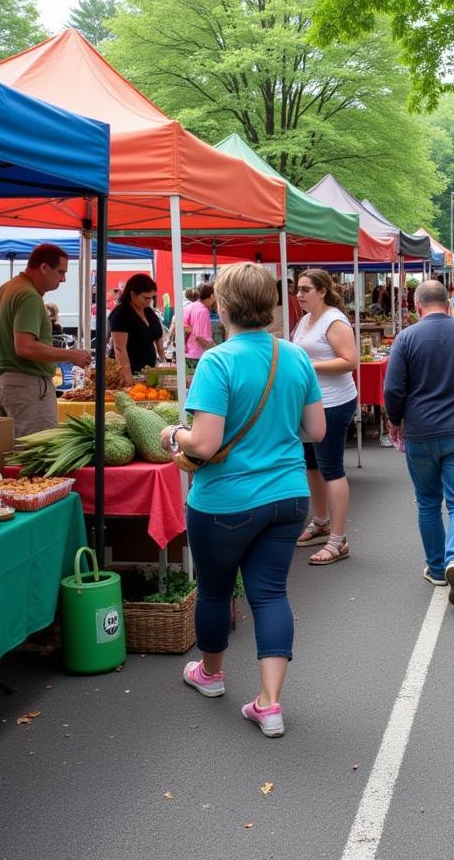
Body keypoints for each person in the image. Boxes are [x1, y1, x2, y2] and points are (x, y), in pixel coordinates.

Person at [160, 263, 326, 738]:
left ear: (224, 306)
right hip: (289, 496)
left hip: (225, 502)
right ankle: (270, 705)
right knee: (271, 593)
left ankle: (210, 675)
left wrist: (174, 431)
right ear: (273, 304)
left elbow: (205, 444)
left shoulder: (218, 361)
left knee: (215, 591)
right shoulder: (294, 356)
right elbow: (316, 430)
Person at [384, 280, 454, 606]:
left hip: (421, 432)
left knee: (428, 501)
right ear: (448, 304)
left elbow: (393, 390)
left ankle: (435, 567)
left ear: (417, 307)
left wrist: (395, 419)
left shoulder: (405, 338)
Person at [0, 244, 92, 438]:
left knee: (11, 453)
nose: (63, 279)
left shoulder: (5, 289)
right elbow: (25, 347)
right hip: (26, 385)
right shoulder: (28, 295)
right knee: (36, 453)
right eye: (60, 272)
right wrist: (71, 355)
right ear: (43, 267)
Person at [292, 268, 359, 564]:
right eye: (298, 289)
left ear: (322, 291)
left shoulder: (334, 320)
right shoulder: (306, 320)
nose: (300, 294)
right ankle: (320, 521)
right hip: (309, 404)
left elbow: (350, 361)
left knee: (331, 468)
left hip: (333, 403)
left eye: (306, 289)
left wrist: (310, 366)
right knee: (312, 465)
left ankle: (338, 539)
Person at [108, 274, 165, 384]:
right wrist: (128, 379)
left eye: (152, 298)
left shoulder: (149, 312)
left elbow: (158, 336)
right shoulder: (121, 313)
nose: (149, 301)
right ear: (133, 294)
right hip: (130, 374)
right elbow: (119, 348)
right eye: (146, 298)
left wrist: (163, 364)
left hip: (148, 373)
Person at [184, 284, 216, 360]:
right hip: (199, 355)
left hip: (187, 353)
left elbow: (182, 325)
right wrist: (217, 349)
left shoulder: (190, 306)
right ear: (212, 296)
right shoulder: (203, 311)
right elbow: (204, 339)